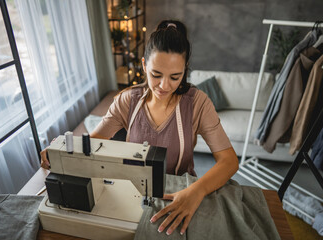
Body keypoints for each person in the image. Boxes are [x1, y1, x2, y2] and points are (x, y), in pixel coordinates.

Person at [41, 20, 239, 236]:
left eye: (175, 77)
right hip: (131, 191)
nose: (164, 86)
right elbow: (96, 140)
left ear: (185, 70)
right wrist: (62, 150)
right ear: (144, 65)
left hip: (182, 193)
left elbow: (229, 160)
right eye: (156, 74)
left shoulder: (198, 103)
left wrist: (197, 190)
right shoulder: (127, 101)